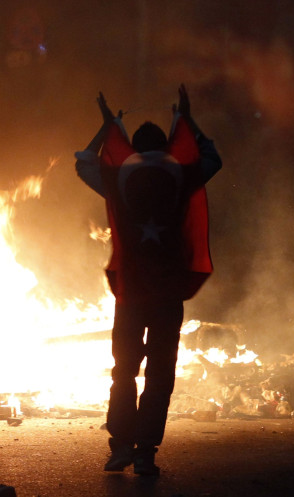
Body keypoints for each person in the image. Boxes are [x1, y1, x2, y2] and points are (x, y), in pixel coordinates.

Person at [75, 84, 222, 476]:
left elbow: (84, 161)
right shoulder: (180, 173)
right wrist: (187, 121)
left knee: (124, 370)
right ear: (168, 147)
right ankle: (145, 452)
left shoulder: (119, 178)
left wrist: (107, 128)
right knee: (159, 372)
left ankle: (120, 445)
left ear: (133, 149)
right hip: (168, 292)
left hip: (130, 291)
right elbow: (212, 157)